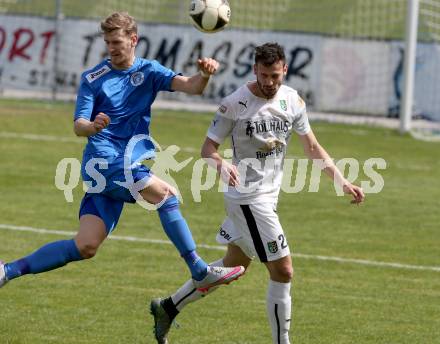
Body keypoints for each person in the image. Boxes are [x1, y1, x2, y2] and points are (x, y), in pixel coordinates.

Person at [0, 13, 245, 296]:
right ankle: (199, 270)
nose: (112, 48)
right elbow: (79, 126)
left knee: (86, 245)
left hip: (121, 165)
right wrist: (92, 126)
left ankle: (8, 270)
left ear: (133, 40)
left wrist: (205, 73)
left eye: (117, 42)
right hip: (106, 161)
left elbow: (191, 86)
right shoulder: (93, 78)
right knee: (165, 195)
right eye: (107, 42)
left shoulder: (150, 71)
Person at [150, 42, 365, 344]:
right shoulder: (234, 103)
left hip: (267, 199)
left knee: (232, 267)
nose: (268, 82)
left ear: (284, 70)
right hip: (247, 200)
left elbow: (313, 148)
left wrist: (341, 181)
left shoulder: (293, 101)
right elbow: (207, 149)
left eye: (275, 75)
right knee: (283, 271)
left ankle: (168, 308)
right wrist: (221, 164)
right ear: (254, 70)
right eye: (263, 75)